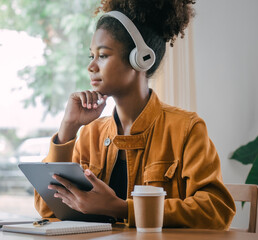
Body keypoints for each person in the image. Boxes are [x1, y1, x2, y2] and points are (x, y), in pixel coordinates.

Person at [34, 0, 236, 229]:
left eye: (103, 55)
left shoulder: (186, 128)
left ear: (141, 59)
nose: (91, 66)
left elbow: (217, 210)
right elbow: (48, 209)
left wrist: (120, 208)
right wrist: (68, 129)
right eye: (91, 56)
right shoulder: (91, 134)